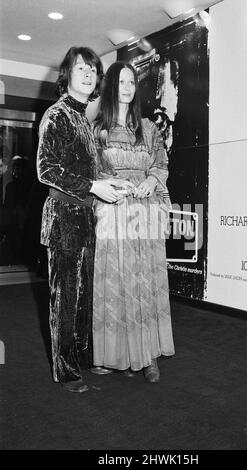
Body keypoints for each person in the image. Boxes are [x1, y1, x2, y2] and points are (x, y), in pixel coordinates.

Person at [37, 48, 133, 393]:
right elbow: (46, 169)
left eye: (93, 69)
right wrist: (94, 186)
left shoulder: (82, 116)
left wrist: (111, 185)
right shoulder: (57, 114)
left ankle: (82, 357)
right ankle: (65, 370)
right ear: (67, 73)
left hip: (86, 216)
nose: (89, 74)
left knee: (84, 296)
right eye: (81, 68)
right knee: (64, 297)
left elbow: (89, 172)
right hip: (63, 216)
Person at [92, 61, 175, 384]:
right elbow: (93, 172)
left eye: (131, 82)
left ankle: (149, 355)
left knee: (146, 283)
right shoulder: (97, 128)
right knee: (118, 282)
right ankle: (117, 355)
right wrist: (118, 185)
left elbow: (161, 163)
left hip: (145, 212)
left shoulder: (149, 128)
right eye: (121, 82)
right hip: (113, 213)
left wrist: (152, 181)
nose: (127, 87)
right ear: (111, 86)